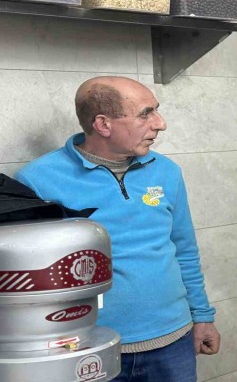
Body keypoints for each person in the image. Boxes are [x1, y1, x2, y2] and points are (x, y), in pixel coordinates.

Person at [16, 76, 220, 381]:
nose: (160, 123)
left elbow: (184, 249)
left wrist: (202, 316)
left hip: (172, 340)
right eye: (145, 114)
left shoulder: (166, 171)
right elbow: (30, 280)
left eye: (156, 111)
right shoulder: (38, 181)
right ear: (103, 124)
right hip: (87, 347)